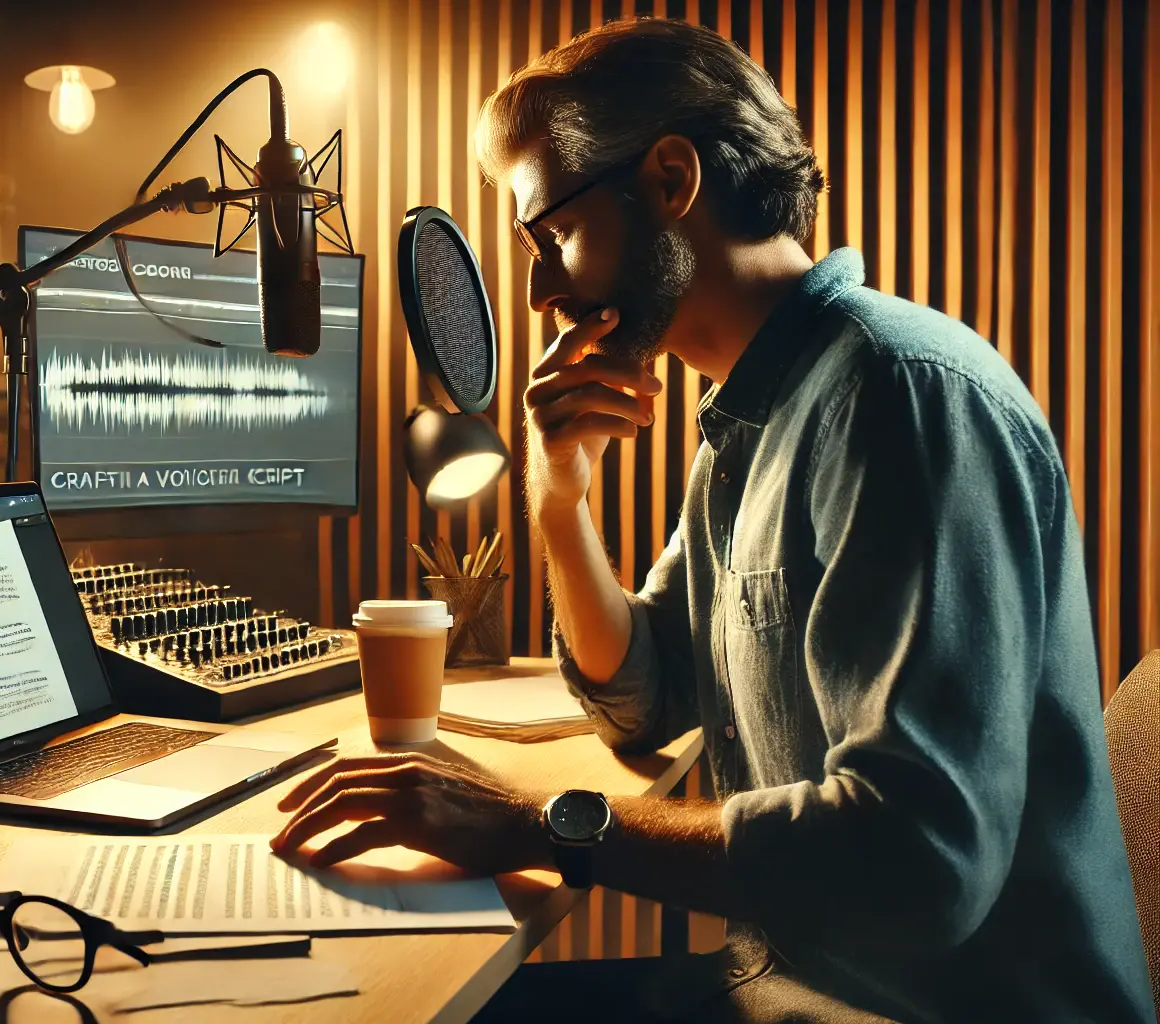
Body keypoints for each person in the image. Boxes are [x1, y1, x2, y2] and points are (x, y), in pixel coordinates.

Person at [271, 18, 1154, 1023]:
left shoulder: (897, 398)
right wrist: (559, 494)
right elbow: (642, 696)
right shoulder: (746, 421)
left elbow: (919, 861)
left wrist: (541, 824)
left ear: (670, 180)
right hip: (787, 985)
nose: (535, 291)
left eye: (548, 234)